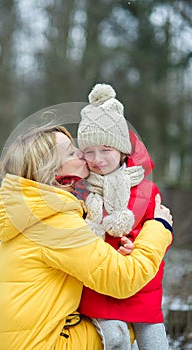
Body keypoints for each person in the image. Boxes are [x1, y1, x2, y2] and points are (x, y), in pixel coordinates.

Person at [0, 123, 173, 350]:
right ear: (51, 170)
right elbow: (123, 279)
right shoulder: (56, 224)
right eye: (71, 152)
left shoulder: (29, 210)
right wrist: (159, 227)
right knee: (117, 326)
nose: (82, 153)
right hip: (38, 346)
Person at [77, 83, 172, 350]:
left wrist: (136, 243)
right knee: (114, 338)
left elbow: (161, 228)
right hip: (99, 284)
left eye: (106, 149)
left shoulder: (146, 189)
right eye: (89, 150)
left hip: (141, 285)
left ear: (122, 152)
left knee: (155, 341)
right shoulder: (81, 189)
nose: (97, 159)